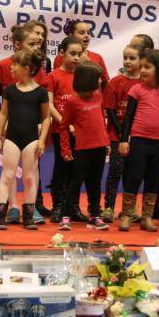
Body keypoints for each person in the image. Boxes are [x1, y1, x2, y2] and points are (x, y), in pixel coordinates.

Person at [0, 24, 47, 224]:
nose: (11, 68)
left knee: (30, 177)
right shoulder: (10, 90)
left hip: (32, 138)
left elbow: (46, 117)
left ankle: (29, 217)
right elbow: (3, 113)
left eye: (15, 66)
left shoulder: (40, 91)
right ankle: (1, 216)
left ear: (26, 69)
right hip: (12, 138)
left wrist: (42, 139)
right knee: (7, 175)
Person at [118, 49, 159, 232]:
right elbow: (128, 116)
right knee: (134, 177)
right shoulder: (136, 89)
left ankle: (147, 217)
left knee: (153, 179)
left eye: (147, 67)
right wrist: (124, 140)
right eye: (141, 66)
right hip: (138, 140)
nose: (142, 70)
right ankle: (127, 215)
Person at [58, 61, 110, 231]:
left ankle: (94, 216)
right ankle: (66, 216)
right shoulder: (73, 101)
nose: (100, 81)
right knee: (76, 182)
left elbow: (101, 121)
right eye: (97, 79)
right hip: (82, 149)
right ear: (87, 81)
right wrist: (65, 149)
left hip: (100, 148)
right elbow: (64, 127)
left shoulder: (98, 96)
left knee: (95, 183)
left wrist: (106, 142)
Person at [102, 44, 142, 223]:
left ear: (142, 61)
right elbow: (110, 109)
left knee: (132, 173)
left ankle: (129, 209)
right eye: (125, 57)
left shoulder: (144, 83)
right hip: (116, 135)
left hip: (138, 136)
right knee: (115, 171)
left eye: (132, 58)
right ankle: (109, 208)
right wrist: (121, 132)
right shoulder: (115, 82)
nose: (127, 61)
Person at [46, 36, 83, 222]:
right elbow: (50, 105)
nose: (76, 58)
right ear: (61, 53)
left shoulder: (82, 75)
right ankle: (58, 207)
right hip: (61, 130)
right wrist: (65, 124)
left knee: (77, 170)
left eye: (79, 54)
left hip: (80, 131)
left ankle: (73, 207)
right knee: (61, 168)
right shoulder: (53, 76)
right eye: (72, 54)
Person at [53, 19, 109, 88]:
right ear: (71, 36)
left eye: (88, 33)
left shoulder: (97, 57)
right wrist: (80, 64)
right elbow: (59, 82)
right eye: (82, 33)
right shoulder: (61, 57)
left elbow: (105, 83)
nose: (86, 36)